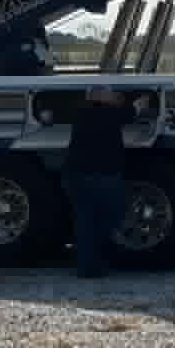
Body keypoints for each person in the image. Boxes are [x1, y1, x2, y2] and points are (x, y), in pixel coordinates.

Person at [63, 86, 131, 278]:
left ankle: (87, 266)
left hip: (75, 175)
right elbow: (131, 113)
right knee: (113, 214)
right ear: (101, 98)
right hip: (101, 175)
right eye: (110, 94)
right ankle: (93, 263)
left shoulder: (81, 113)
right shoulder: (109, 114)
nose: (114, 96)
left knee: (86, 220)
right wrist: (138, 103)